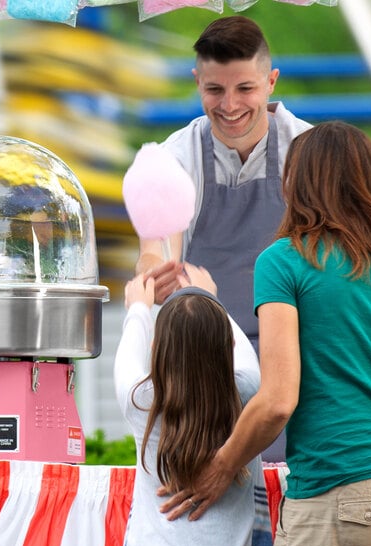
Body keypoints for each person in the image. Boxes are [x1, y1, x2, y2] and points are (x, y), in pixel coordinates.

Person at [160, 121, 371, 546]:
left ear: (299, 183)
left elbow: (278, 400)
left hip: (337, 488)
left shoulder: (285, 261)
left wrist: (221, 467)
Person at [135, 15, 311, 352]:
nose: (229, 106)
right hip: (203, 352)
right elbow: (154, 251)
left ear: (271, 81)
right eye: (215, 89)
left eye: (245, 88)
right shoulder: (172, 158)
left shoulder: (308, 150)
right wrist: (154, 276)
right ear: (197, 81)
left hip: (296, 349)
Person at [113, 263, 262, 546]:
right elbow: (239, 349)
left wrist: (139, 303)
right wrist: (210, 298)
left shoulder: (140, 399)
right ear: (225, 349)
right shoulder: (247, 392)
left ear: (157, 349)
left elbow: (130, 346)